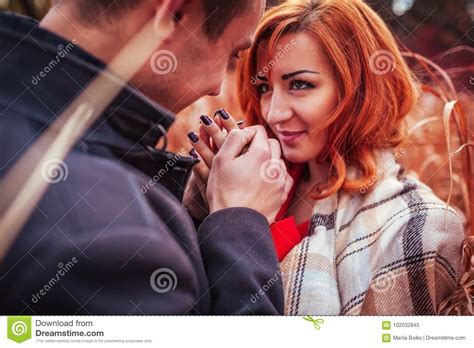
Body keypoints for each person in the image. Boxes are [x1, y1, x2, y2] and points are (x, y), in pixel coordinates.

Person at [0, 0, 294, 314]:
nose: (217, 87)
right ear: (172, 13)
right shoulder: (107, 242)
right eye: (232, 53)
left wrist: (182, 219)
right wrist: (241, 222)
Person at [187, 0, 465, 315]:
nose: (273, 112)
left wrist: (240, 222)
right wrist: (203, 210)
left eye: (300, 85)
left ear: (361, 89)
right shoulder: (236, 184)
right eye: (264, 87)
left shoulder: (417, 226)